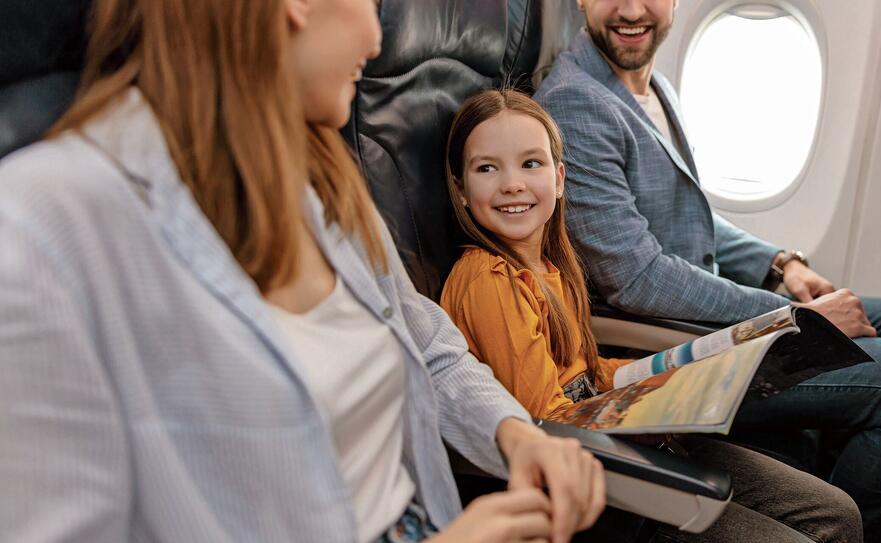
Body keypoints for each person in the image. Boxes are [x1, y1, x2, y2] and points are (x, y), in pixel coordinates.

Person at [0, 1, 607, 541]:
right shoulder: (43, 228)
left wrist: (516, 435)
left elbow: (428, 343)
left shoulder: (318, 173)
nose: (377, 40)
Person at [531, 1, 881, 539]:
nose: (631, 9)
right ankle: (829, 526)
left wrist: (781, 263)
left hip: (695, 323)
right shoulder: (575, 106)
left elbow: (688, 216)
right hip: (662, 351)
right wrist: (798, 317)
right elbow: (637, 278)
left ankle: (816, 476)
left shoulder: (651, 88)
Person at [438, 88, 862, 543]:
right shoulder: (490, 279)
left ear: (560, 180)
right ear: (461, 191)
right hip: (596, 478)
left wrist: (677, 374)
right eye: (487, 168)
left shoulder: (554, 266)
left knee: (839, 514)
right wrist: (643, 413)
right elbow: (546, 418)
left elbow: (586, 373)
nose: (513, 184)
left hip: (621, 438)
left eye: (531, 163)